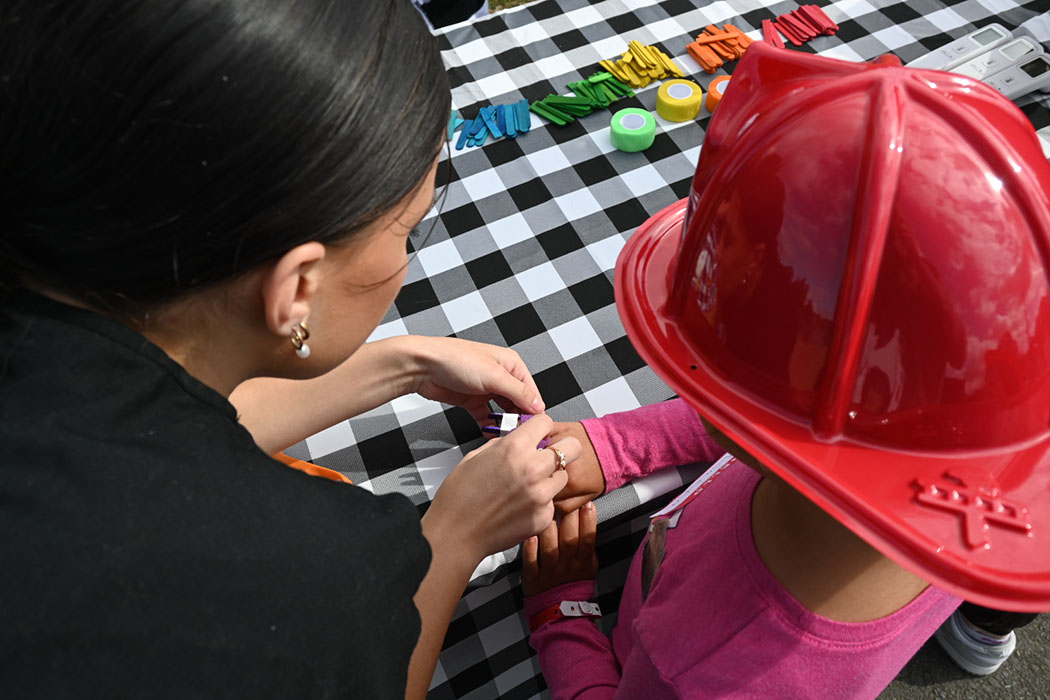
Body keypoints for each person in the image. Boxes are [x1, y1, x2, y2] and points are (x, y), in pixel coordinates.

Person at [0, 2, 581, 698]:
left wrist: (396, 363)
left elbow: (142, 429)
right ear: (297, 285)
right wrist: (452, 538)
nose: (404, 259)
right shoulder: (305, 575)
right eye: (408, 231)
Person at [520, 42, 1050, 699]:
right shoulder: (963, 476)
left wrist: (560, 612)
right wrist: (617, 446)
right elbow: (796, 411)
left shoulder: (697, 662)